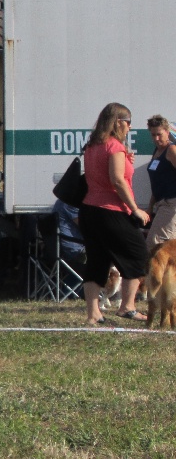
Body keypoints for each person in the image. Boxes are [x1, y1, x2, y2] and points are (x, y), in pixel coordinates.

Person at [78, 102, 150, 324]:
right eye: (128, 123)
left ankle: (93, 314)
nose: (129, 128)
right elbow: (117, 181)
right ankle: (127, 307)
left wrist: (127, 162)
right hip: (111, 211)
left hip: (89, 210)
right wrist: (136, 209)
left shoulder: (92, 146)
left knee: (97, 261)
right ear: (118, 122)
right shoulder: (115, 147)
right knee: (139, 254)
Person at [145, 114, 176, 249]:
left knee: (156, 245)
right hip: (161, 204)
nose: (156, 139)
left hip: (171, 205)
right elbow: (156, 182)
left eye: (159, 134)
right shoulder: (157, 151)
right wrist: (150, 207)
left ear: (167, 133)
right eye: (153, 135)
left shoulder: (171, 150)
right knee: (166, 249)